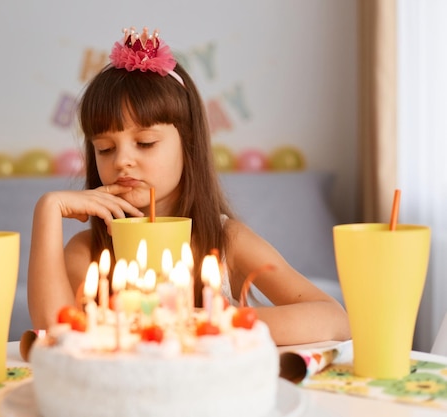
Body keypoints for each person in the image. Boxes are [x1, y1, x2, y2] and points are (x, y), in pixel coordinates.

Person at [27, 27, 350, 345]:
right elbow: (54, 333)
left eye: (145, 142)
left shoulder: (226, 241)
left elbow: (335, 319)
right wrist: (48, 210)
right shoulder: (88, 250)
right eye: (105, 149)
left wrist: (210, 323)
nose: (122, 160)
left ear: (189, 143)